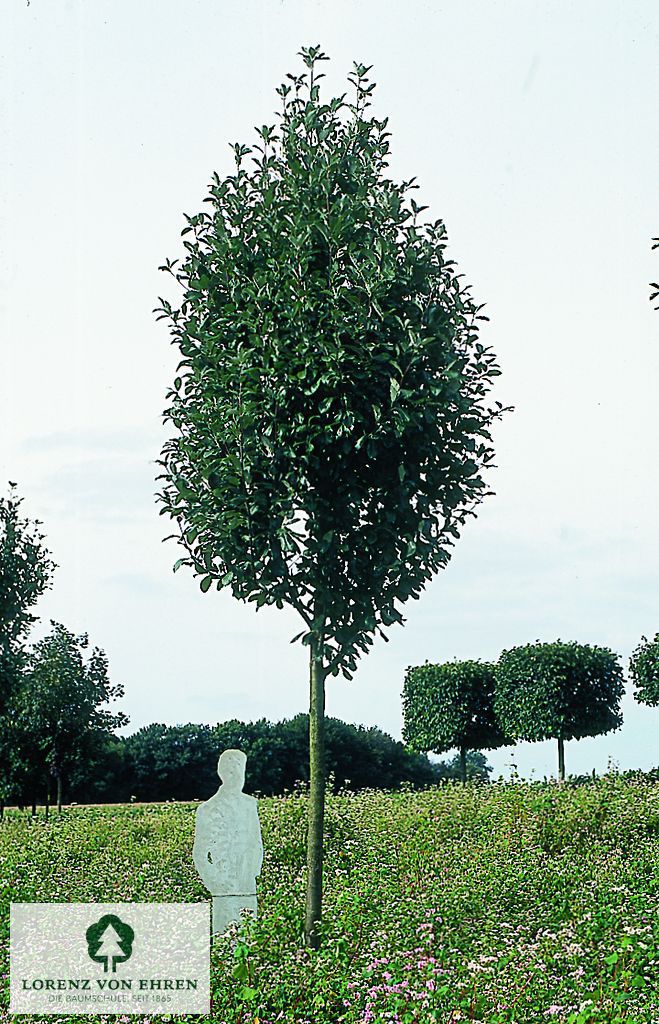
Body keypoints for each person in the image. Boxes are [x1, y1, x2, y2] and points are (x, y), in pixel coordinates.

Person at [192, 749, 263, 935]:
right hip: (223, 884)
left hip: (247, 884)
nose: (237, 776)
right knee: (224, 935)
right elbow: (199, 854)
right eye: (231, 770)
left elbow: (256, 843)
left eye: (240, 770)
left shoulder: (250, 805)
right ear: (221, 772)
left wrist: (253, 872)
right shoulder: (208, 809)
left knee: (249, 935)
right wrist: (214, 882)